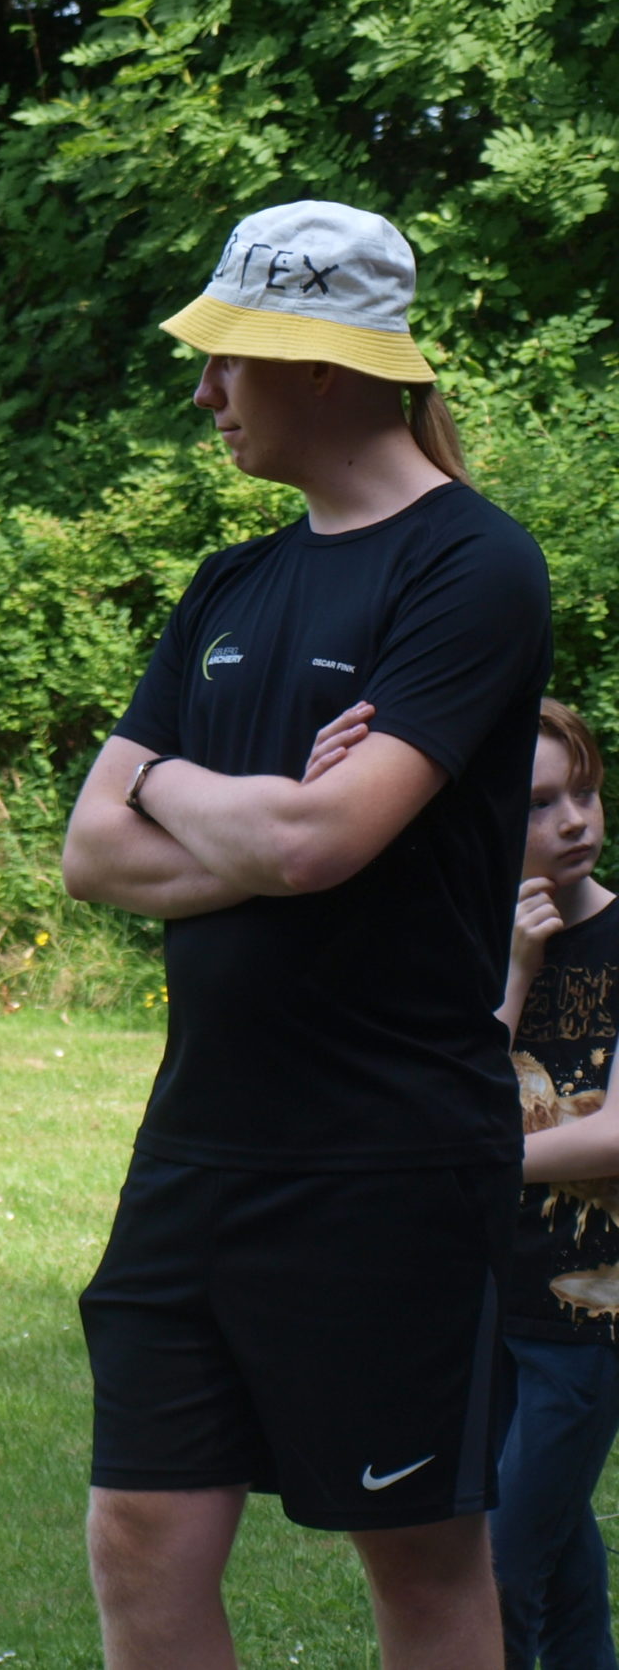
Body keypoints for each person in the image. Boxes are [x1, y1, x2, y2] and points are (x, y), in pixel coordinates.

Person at [60, 199, 553, 1669]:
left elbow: (315, 842)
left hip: (388, 1156)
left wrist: (173, 784)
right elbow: (93, 852)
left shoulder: (471, 565)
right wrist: (254, 812)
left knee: (419, 1561)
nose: (204, 390)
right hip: (199, 1146)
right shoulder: (234, 581)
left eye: (230, 359)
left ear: (322, 366)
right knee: (139, 1536)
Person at [490, 699, 619, 1670]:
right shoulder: (479, 941)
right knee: (561, 1569)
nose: (572, 819)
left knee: (493, 1568)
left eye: (583, 792)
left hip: (590, 1319)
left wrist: (467, 1155)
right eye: (538, 803)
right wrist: (514, 972)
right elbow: (448, 1091)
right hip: (484, 1299)